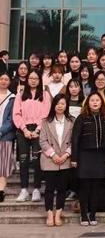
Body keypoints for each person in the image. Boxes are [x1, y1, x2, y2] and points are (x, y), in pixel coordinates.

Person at [71, 91, 105, 226]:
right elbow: (75, 139)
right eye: (92, 100)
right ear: (87, 103)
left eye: (97, 100)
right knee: (84, 187)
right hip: (84, 156)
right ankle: (84, 214)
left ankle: (93, 214)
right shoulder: (81, 118)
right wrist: (74, 158)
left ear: (101, 103)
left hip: (100, 156)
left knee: (96, 187)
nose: (95, 103)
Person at [12, 70, 51, 202]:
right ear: (27, 80)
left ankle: (36, 189)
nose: (33, 81)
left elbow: (46, 114)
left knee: (37, 160)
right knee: (23, 160)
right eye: (31, 78)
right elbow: (16, 114)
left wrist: (38, 130)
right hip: (23, 130)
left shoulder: (45, 95)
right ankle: (24, 190)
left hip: (39, 130)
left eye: (36, 78)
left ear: (40, 80)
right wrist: (24, 129)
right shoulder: (20, 94)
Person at [39, 94, 73, 227]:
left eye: (63, 103)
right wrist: (53, 155)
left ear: (66, 105)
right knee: (49, 189)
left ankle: (58, 214)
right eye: (58, 103)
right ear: (53, 105)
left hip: (65, 159)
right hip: (50, 159)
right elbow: (43, 141)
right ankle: (49, 214)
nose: (60, 106)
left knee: (62, 189)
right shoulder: (45, 121)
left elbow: (75, 141)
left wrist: (66, 154)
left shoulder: (72, 121)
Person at [0, 72, 16, 203]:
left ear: (10, 82)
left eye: (6, 79)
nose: (4, 81)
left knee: (3, 164)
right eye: (1, 79)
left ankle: (1, 190)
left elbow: (12, 119)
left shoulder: (13, 98)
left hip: (5, 135)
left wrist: (1, 131)